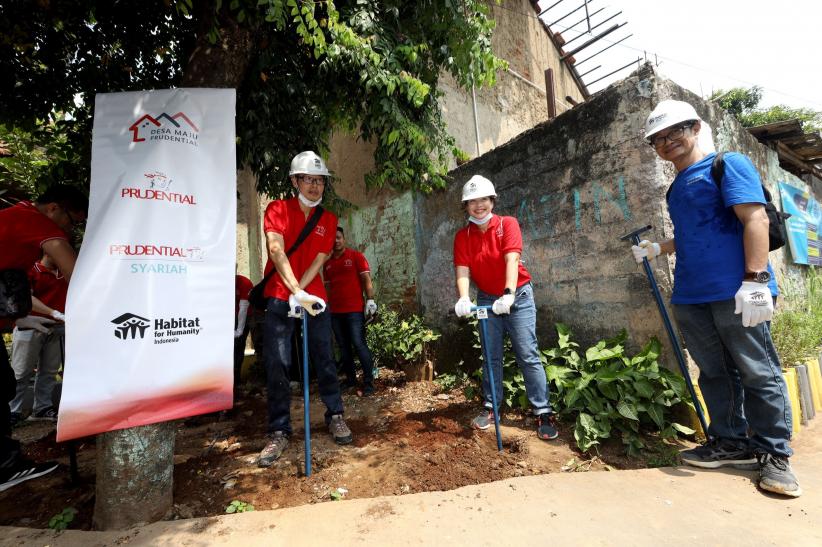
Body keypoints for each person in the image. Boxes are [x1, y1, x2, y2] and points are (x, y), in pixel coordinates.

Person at [632, 99, 799, 497]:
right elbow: (696, 233)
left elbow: (754, 218)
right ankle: (730, 441)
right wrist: (660, 248)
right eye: (658, 139)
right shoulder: (676, 187)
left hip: (737, 289)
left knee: (758, 370)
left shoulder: (728, 164)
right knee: (714, 372)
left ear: (694, 128)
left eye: (675, 131)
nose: (667, 141)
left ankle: (775, 453)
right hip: (692, 294)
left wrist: (756, 280)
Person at [257, 151, 352, 468]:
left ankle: (335, 414)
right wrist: (293, 290)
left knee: (325, 357)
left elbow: (320, 259)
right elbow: (275, 249)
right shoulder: (277, 209)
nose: (314, 186)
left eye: (319, 180)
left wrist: (303, 292)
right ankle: (279, 430)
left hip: (314, 298)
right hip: (278, 296)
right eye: (308, 179)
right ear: (295, 180)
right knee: (278, 364)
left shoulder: (327, 218)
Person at [452, 175, 558, 441]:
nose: (479, 205)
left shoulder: (507, 224)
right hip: (487, 298)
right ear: (465, 206)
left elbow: (512, 258)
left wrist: (509, 294)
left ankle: (543, 411)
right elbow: (463, 270)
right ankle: (491, 407)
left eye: (484, 199)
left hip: (518, 295)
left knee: (527, 353)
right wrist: (464, 298)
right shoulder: (462, 236)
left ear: (492, 201)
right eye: (473, 201)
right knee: (491, 355)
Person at [0, 183, 86, 491]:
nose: (70, 230)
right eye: (72, 221)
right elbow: (77, 272)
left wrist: (29, 315)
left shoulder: (13, 219)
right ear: (54, 209)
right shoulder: (36, 221)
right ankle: (5, 468)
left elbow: (13, 291)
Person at [9, 254, 68, 425]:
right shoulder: (31, 270)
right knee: (21, 372)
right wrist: (54, 312)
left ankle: (42, 407)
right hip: (29, 326)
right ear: (47, 251)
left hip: (56, 328)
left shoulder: (65, 272)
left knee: (49, 371)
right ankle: (13, 411)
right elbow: (26, 298)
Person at [324, 227, 377, 395]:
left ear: (344, 238)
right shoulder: (327, 263)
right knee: (343, 346)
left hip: (354, 311)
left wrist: (370, 300)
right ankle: (351, 380)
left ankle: (368, 382)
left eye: (338, 237)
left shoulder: (356, 256)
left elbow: (366, 279)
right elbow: (327, 287)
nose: (336, 241)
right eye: (333, 239)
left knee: (359, 344)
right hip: (335, 313)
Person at [233, 273, 253, 390]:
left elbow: (244, 308)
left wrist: (239, 330)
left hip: (247, 315)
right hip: (231, 315)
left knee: (239, 345)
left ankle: (236, 379)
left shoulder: (244, 283)